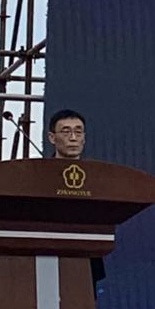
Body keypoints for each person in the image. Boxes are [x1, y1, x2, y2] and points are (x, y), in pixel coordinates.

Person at [47, 109, 109, 286]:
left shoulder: (96, 176)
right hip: (47, 255)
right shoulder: (40, 175)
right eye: (66, 132)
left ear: (84, 138)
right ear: (52, 138)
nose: (73, 138)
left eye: (78, 132)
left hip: (87, 258)